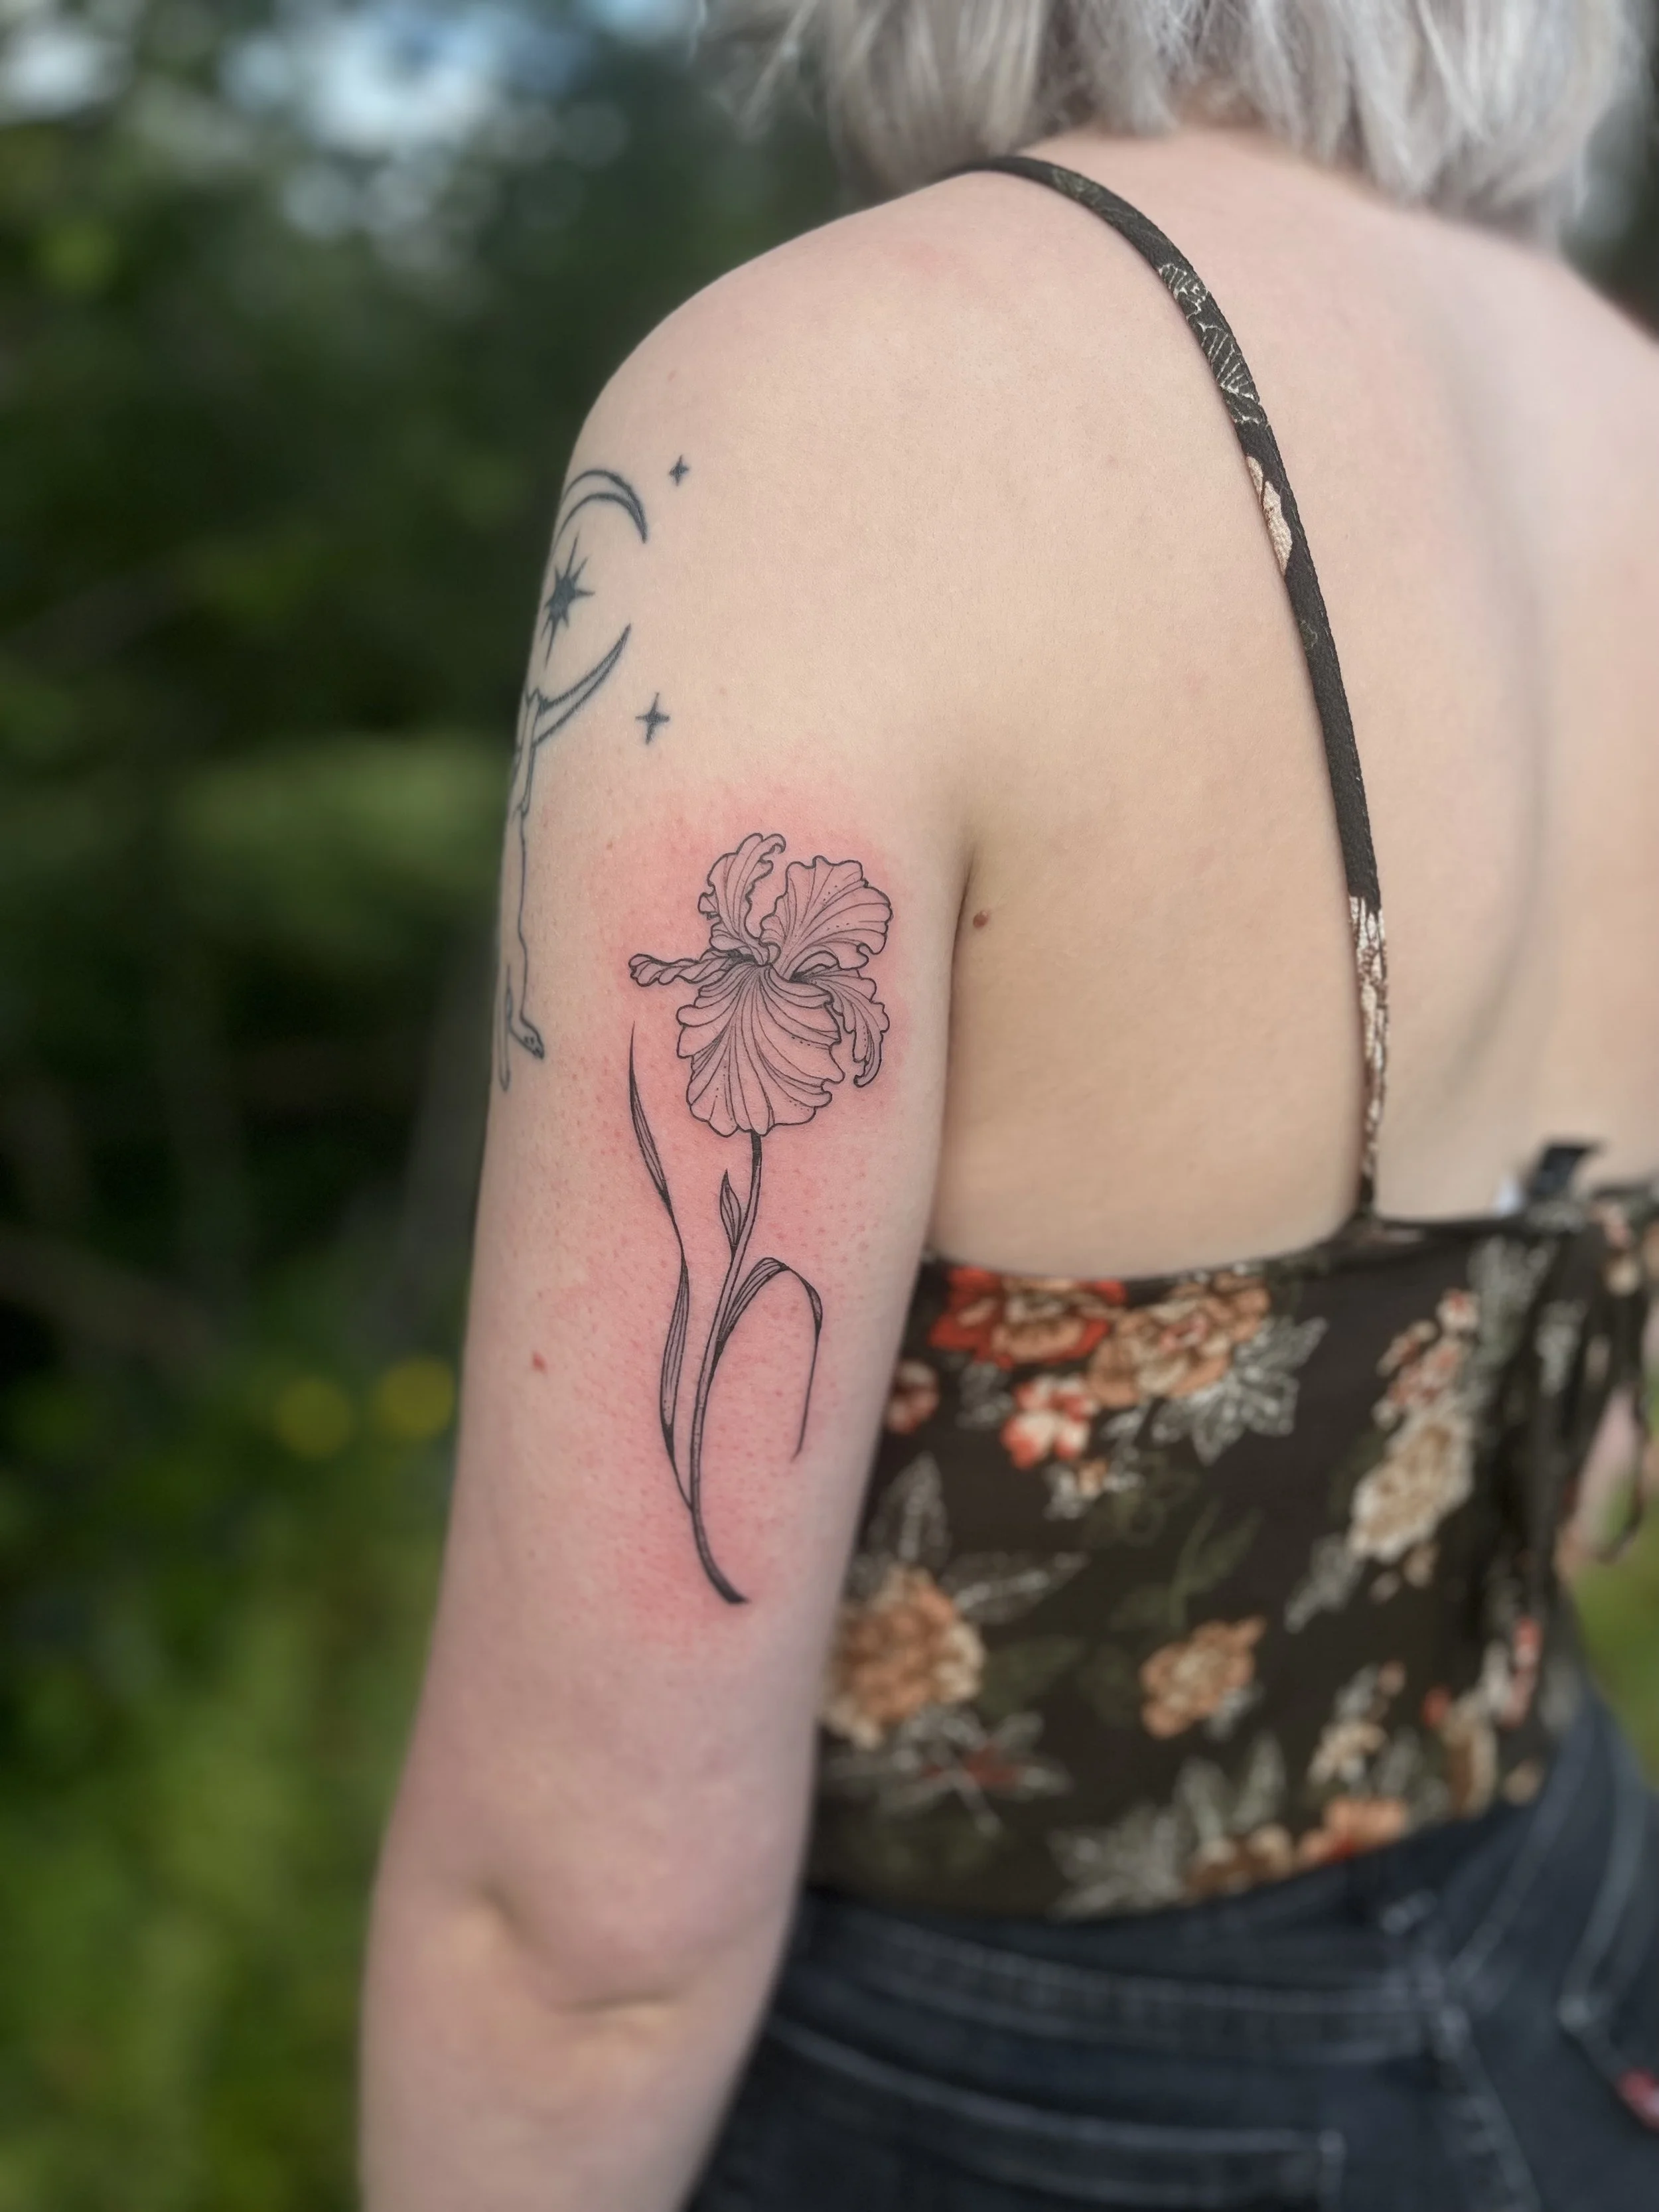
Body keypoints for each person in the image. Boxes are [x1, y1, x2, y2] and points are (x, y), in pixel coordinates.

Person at [359, 4, 1659, 2205]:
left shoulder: (829, 415)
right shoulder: (1621, 413)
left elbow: (587, 1919)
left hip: (1010, 2102)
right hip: (1580, 1956)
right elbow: (1585, 1439)